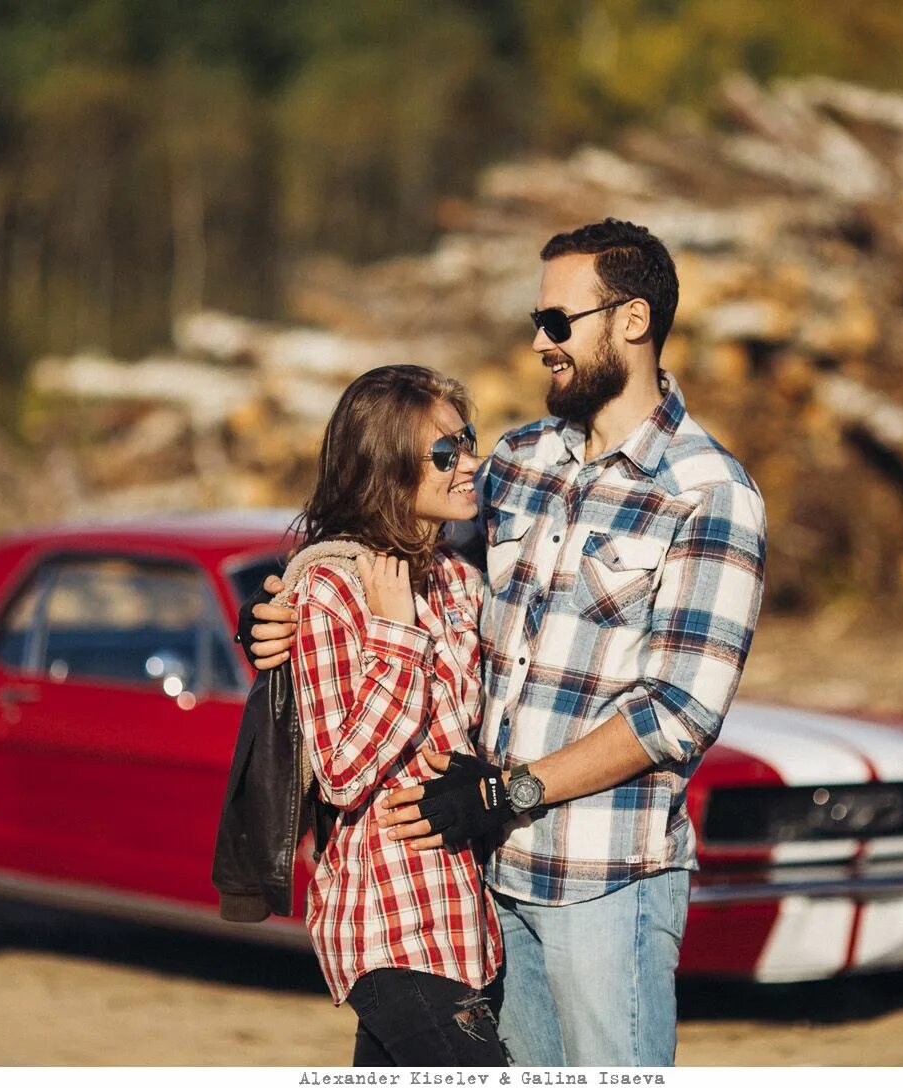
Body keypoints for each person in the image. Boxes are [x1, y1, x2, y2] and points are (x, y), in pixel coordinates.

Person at [244, 220, 767, 1066]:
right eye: (538, 321)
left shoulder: (711, 494)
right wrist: (282, 607)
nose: (539, 342)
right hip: (489, 886)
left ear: (630, 321)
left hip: (607, 882)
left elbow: (679, 711)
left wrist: (508, 792)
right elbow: (394, 531)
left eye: (558, 322)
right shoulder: (520, 462)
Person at [279, 364, 507, 1066]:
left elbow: (469, 731)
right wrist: (398, 637)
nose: (469, 464)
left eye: (467, 442)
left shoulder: (458, 580)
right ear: (384, 469)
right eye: (445, 454)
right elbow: (342, 773)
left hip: (465, 918)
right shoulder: (329, 588)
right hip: (389, 921)